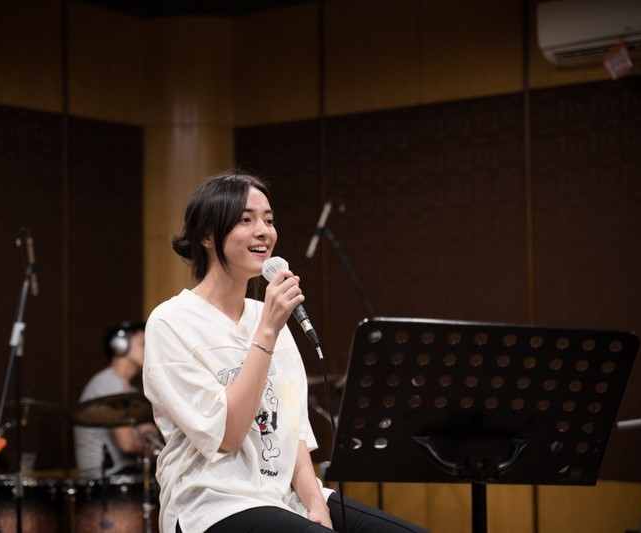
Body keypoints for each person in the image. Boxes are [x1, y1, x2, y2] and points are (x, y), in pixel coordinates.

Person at [143, 173, 428, 533]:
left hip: (284, 495)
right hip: (213, 502)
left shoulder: (269, 316)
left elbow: (292, 433)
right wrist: (267, 330)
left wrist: (315, 502)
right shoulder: (171, 322)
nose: (263, 231)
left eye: (269, 220)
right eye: (246, 219)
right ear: (207, 236)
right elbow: (228, 436)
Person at [74, 321, 162, 481]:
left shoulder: (129, 390)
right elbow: (127, 444)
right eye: (143, 344)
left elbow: (151, 433)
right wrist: (147, 444)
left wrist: (147, 438)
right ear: (120, 346)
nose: (148, 350)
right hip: (106, 475)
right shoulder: (108, 383)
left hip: (123, 470)